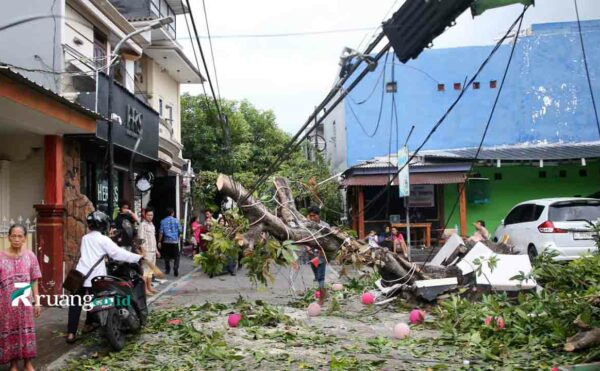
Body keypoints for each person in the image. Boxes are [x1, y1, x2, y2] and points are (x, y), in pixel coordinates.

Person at [66, 211, 143, 344]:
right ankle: (88, 325)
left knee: (76, 304)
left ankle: (71, 334)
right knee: (96, 301)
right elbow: (118, 254)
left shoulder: (85, 238)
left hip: (80, 276)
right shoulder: (103, 239)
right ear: (102, 225)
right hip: (96, 278)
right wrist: (138, 257)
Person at [0, 224, 42, 371]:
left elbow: (34, 279)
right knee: (9, 330)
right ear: (8, 237)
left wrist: (37, 301)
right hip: (6, 302)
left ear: (25, 238)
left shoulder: (30, 256)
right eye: (13, 236)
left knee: (26, 330)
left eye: (20, 236)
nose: (16, 239)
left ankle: (27, 363)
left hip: (24, 300)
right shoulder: (0, 257)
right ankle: (12, 364)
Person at [306, 205, 328, 306]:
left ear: (318, 215)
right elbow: (304, 238)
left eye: (313, 216)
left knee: (320, 277)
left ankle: (321, 299)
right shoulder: (308, 225)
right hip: (311, 255)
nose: (312, 218)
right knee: (316, 276)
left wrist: (321, 252)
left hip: (321, 254)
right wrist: (307, 247)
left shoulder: (325, 226)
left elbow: (327, 240)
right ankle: (324, 293)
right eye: (310, 216)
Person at [139, 207, 159, 296]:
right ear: (145, 215)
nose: (150, 217)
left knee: (150, 270)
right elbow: (141, 239)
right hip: (146, 251)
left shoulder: (152, 225)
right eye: (149, 215)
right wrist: (143, 252)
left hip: (153, 250)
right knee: (145, 271)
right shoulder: (142, 225)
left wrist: (156, 250)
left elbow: (153, 238)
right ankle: (144, 289)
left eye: (152, 215)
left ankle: (149, 287)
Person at [159, 208, 182, 277]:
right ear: (172, 213)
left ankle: (167, 269)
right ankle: (175, 267)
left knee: (166, 256)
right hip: (174, 241)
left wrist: (159, 241)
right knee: (177, 256)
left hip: (166, 242)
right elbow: (180, 230)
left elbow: (161, 232)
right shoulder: (176, 221)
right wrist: (179, 239)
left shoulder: (163, 221)